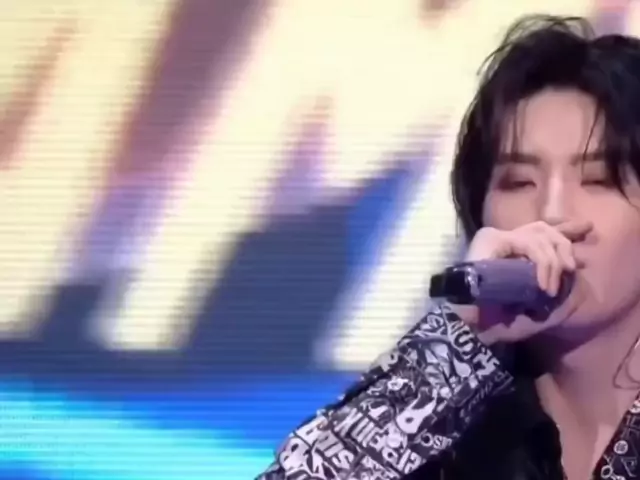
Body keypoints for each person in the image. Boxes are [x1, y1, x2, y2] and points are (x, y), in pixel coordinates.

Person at [256, 15, 640, 479]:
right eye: (519, 182)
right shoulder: (447, 428)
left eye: (599, 179)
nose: (552, 213)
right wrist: (458, 339)